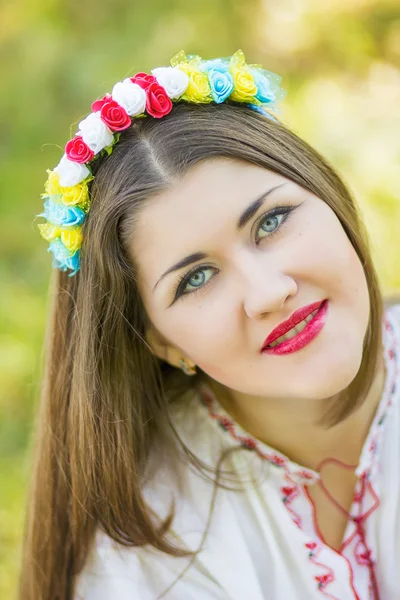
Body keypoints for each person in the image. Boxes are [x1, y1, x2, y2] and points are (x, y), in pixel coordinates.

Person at [20, 50, 400, 600]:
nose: (270, 293)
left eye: (272, 221)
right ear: (161, 341)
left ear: (329, 197)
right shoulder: (149, 542)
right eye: (196, 279)